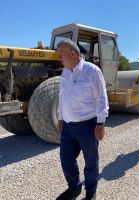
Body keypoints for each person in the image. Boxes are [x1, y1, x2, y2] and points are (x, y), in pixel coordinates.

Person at [56, 39, 109, 200]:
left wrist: (100, 123)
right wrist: (60, 117)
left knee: (90, 161)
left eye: (62, 55)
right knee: (66, 159)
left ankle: (91, 193)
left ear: (73, 54)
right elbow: (62, 97)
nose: (60, 58)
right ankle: (74, 188)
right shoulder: (65, 72)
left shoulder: (92, 71)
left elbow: (101, 98)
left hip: (88, 125)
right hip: (68, 127)